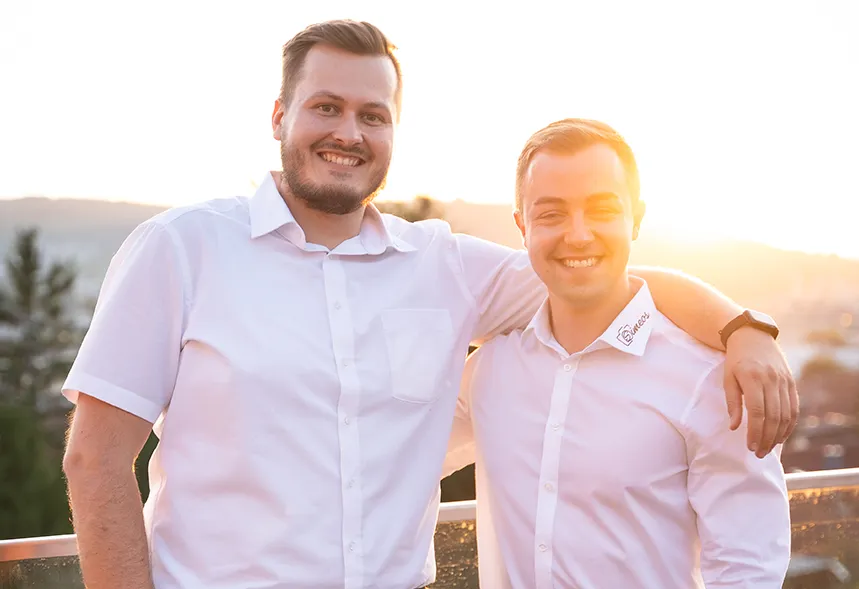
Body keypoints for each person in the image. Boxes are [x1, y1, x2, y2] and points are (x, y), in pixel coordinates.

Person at [61, 20, 796, 589]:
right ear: (279, 115)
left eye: (372, 115)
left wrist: (742, 329)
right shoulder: (182, 248)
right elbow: (95, 460)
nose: (348, 133)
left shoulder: (445, 266)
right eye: (326, 107)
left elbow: (597, 269)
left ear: (392, 132)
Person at [443, 118, 792, 588]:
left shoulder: (709, 380)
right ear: (522, 227)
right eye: (551, 214)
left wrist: (747, 329)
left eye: (602, 209)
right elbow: (393, 459)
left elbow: (748, 569)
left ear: (637, 219)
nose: (578, 235)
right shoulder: (488, 372)